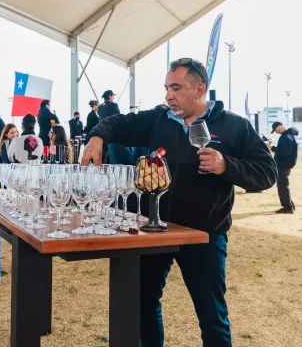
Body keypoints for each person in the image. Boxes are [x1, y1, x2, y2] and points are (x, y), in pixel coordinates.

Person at [82, 58, 277, 347]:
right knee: (143, 306)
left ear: (200, 89)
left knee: (212, 315)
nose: (167, 95)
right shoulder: (158, 119)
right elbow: (118, 123)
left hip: (204, 236)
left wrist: (227, 165)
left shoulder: (235, 125)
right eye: (166, 88)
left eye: (176, 88)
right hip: (155, 231)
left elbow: (267, 173)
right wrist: (97, 137)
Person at [269, 121, 299, 213]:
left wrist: (273, 148)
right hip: (285, 165)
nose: (276, 132)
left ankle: (288, 207)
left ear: (280, 126)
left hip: (283, 165)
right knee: (284, 185)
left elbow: (285, 152)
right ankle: (290, 205)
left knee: (282, 186)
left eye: (276, 129)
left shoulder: (286, 137)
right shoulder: (288, 136)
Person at [98, 89, 132, 164]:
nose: (113, 98)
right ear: (110, 96)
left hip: (102, 135)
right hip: (113, 135)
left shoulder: (100, 107)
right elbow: (119, 118)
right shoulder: (114, 105)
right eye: (113, 96)